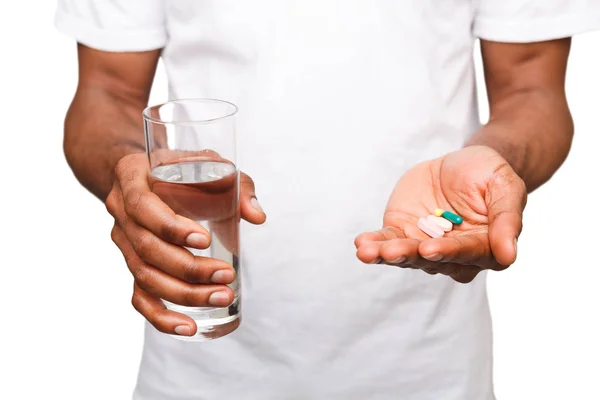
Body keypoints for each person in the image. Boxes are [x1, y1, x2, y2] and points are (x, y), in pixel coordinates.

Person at [55, 1, 600, 399]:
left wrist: (493, 160)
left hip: (430, 368)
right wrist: (128, 174)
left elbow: (533, 87)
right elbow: (108, 92)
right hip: (198, 356)